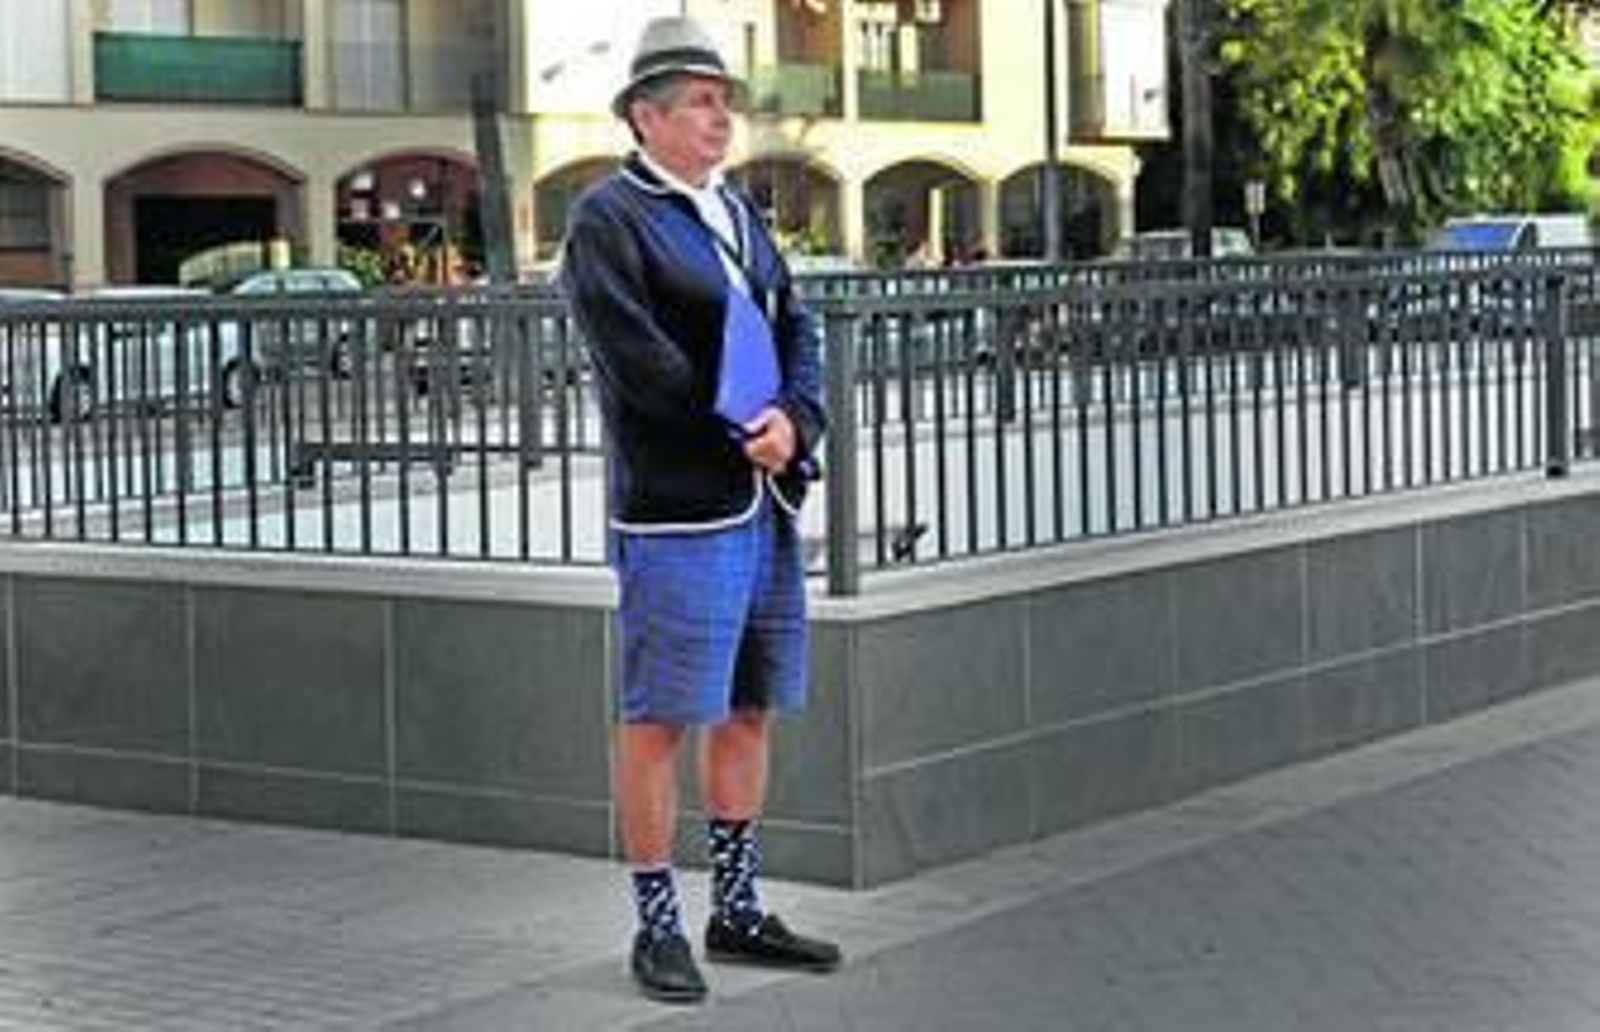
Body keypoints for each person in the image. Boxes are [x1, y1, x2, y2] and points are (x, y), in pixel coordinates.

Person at [560, 15, 840, 1005]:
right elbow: (640, 364)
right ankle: (656, 924)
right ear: (648, 116)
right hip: (680, 511)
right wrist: (744, 431)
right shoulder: (609, 219)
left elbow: (797, 326)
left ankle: (733, 908)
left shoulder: (736, 210)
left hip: (761, 500)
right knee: (660, 718)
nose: (723, 119)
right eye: (702, 103)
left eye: (727, 103)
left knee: (751, 706)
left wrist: (796, 427)